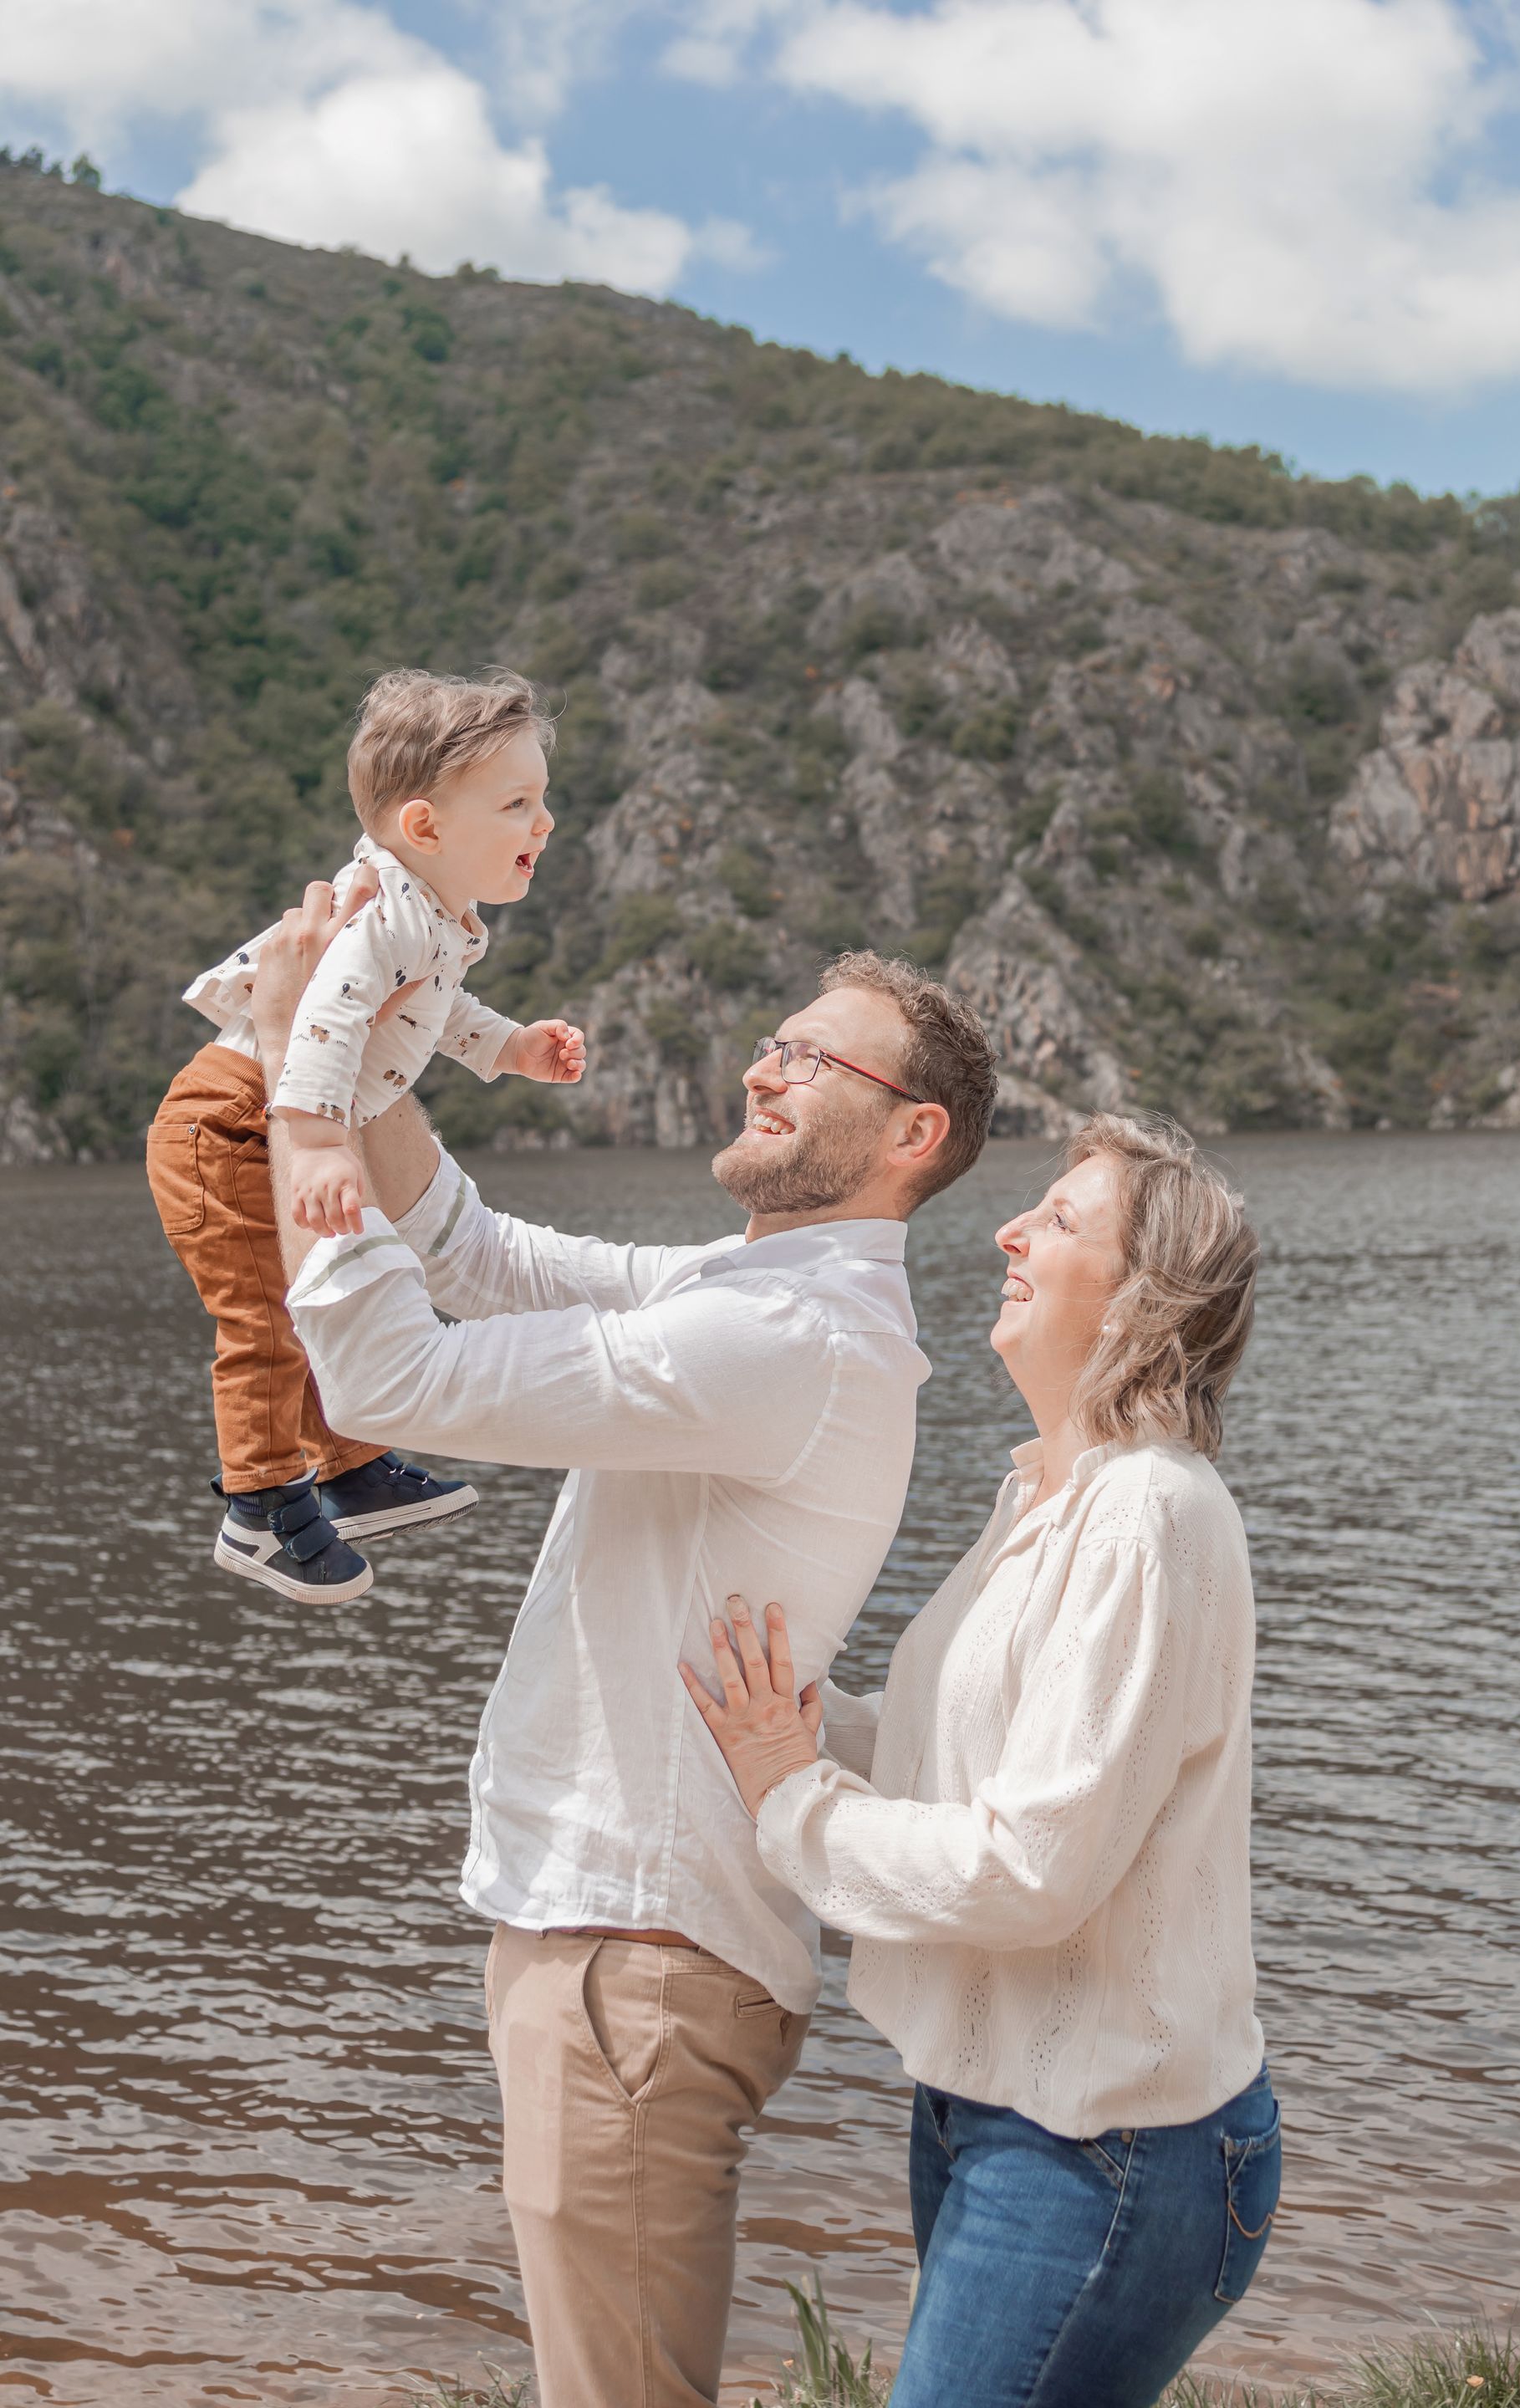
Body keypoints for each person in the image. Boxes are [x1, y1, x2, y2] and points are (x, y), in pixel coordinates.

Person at [247, 875, 999, 2408]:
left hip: (638, 1967)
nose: (765, 1069)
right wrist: (368, 1042)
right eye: (774, 1041)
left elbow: (387, 1379)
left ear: (912, 1133)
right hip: (618, 1954)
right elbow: (473, 1254)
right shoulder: (756, 1291)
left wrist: (294, 1084)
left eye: (813, 1059)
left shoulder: (784, 1336)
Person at [683, 1114, 1278, 2408]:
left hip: (1105, 2145)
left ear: (1144, 1298)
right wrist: (787, 1725)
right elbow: (955, 1762)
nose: (1008, 1232)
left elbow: (1030, 1869)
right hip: (984, 2107)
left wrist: (791, 1792)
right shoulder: (1046, 1493)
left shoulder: (1147, 1516)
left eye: (1059, 1221)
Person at [145, 668, 585, 1605]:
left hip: (270, 1113)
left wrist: (511, 1047)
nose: (545, 823)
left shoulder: (430, 921)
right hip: (230, 1121)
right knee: (267, 1317)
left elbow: (438, 1010)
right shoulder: (382, 915)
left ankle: (351, 1468)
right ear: (425, 828)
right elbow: (324, 1022)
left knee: (320, 1293)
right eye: (518, 804)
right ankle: (261, 1505)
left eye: (542, 800)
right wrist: (314, 1143)